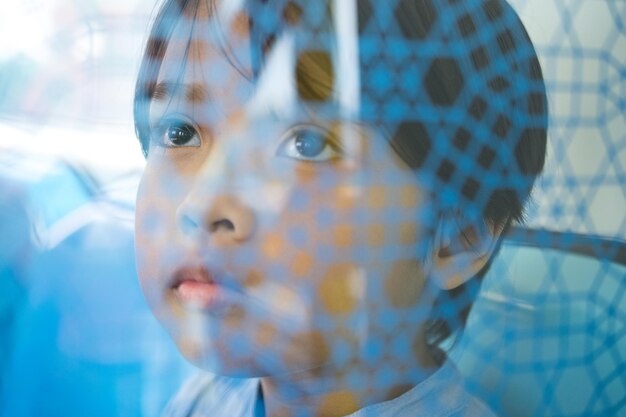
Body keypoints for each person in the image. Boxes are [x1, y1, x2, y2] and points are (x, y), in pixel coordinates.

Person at [132, 0, 548, 415]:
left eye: (305, 145)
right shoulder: (203, 402)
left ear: (457, 236)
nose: (201, 203)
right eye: (180, 131)